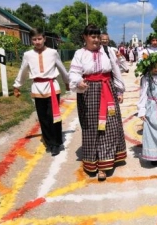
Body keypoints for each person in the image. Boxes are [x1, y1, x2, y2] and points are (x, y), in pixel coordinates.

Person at [69, 24, 126, 181]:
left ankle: (104, 165)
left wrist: (120, 90)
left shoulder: (107, 51)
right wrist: (78, 82)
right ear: (85, 37)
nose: (96, 39)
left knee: (110, 125)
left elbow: (115, 71)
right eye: (92, 36)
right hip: (89, 94)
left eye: (97, 36)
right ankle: (92, 161)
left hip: (108, 90)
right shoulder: (79, 54)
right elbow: (73, 73)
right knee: (92, 127)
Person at [13, 28, 70, 156]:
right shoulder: (28, 55)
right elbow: (23, 70)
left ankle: (56, 143)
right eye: (34, 39)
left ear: (44, 39)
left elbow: (61, 68)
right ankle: (49, 142)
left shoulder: (53, 52)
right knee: (43, 116)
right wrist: (17, 86)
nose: (37, 42)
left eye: (39, 39)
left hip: (52, 87)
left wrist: (67, 82)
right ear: (31, 40)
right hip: (37, 88)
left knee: (53, 115)